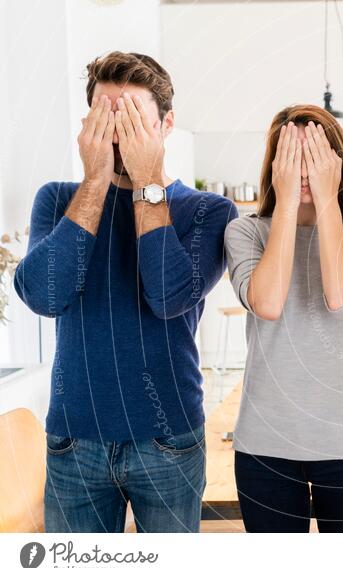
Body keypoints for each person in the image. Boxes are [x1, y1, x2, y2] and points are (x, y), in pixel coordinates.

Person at [13, 51, 237, 533]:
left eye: (133, 118)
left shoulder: (207, 211)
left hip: (168, 439)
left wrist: (147, 181)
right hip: (74, 440)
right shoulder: (57, 199)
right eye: (105, 117)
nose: (118, 134)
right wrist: (95, 180)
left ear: (167, 123)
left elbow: (167, 295)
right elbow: (44, 297)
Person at [224, 105, 343, 533]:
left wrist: (327, 200)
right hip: (266, 448)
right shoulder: (245, 232)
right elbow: (268, 302)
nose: (303, 169)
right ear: (273, 164)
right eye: (291, 157)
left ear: (336, 163)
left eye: (314, 156)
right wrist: (283, 206)